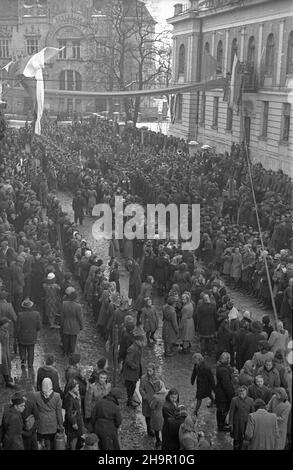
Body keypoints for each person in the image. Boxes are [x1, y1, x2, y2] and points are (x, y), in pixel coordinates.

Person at [32, 377, 64, 450]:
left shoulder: (35, 395)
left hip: (41, 423)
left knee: (41, 440)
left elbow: (34, 410)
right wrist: (61, 425)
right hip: (52, 423)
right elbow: (59, 412)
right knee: (52, 442)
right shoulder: (57, 396)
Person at [16, 298, 41, 371]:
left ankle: (23, 360)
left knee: (22, 349)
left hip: (22, 336)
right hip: (32, 336)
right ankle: (30, 365)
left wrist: (16, 336)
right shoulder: (36, 314)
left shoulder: (20, 315)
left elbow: (18, 327)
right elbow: (39, 326)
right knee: (31, 350)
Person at [228, 385, 254, 450]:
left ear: (246, 393)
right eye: (240, 392)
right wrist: (230, 424)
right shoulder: (234, 400)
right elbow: (231, 413)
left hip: (247, 423)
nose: (241, 394)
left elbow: (252, 413)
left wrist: (253, 424)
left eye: (243, 393)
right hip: (237, 424)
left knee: (246, 439)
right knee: (236, 440)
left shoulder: (250, 400)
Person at [63, 378, 85, 450]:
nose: (78, 388)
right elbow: (69, 412)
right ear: (71, 388)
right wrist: (74, 423)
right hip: (73, 422)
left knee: (78, 436)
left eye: (78, 386)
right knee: (73, 438)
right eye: (76, 387)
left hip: (78, 419)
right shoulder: (69, 398)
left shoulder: (76, 395)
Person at [215, 352, 235, 431]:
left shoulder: (221, 367)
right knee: (222, 410)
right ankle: (221, 425)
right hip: (223, 395)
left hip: (220, 393)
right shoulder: (223, 370)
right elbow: (226, 385)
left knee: (221, 410)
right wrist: (231, 396)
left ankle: (221, 424)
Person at [60, 288, 83, 356]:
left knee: (65, 339)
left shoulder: (64, 304)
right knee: (73, 340)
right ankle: (71, 353)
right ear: (76, 298)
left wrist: (62, 324)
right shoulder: (78, 306)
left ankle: (65, 351)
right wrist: (81, 326)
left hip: (66, 323)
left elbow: (62, 315)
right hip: (74, 325)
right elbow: (80, 318)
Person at [123, 333, 144, 407]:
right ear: (137, 341)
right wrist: (135, 367)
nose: (143, 343)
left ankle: (130, 399)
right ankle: (129, 401)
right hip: (130, 374)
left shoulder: (138, 348)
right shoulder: (132, 349)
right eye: (142, 341)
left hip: (134, 373)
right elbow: (128, 361)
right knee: (131, 388)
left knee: (133, 386)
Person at [139, 363, 158, 437]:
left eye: (150, 370)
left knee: (154, 415)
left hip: (155, 400)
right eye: (147, 370)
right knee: (147, 416)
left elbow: (161, 387)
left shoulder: (157, 378)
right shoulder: (143, 378)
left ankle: (153, 428)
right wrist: (145, 396)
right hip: (147, 401)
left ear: (154, 370)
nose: (148, 372)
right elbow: (141, 389)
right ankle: (149, 429)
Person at [149, 379, 168, 449]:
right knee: (164, 429)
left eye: (155, 387)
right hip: (165, 414)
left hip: (157, 415)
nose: (154, 388)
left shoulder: (156, 397)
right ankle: (164, 441)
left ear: (158, 387)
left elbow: (152, 406)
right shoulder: (167, 393)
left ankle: (158, 441)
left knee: (156, 429)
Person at [0, 317, 15, 388]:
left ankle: (6, 379)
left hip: (6, 350)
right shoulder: (1, 332)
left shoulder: (5, 330)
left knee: (6, 365)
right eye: (7, 323)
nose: (8, 324)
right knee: (4, 365)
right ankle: (7, 382)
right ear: (3, 324)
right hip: (2, 351)